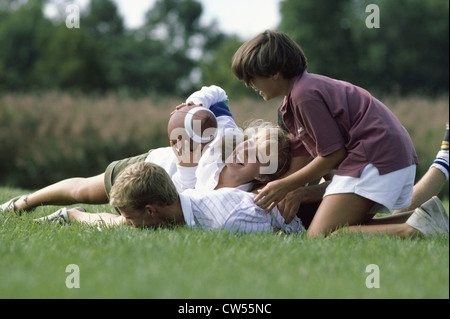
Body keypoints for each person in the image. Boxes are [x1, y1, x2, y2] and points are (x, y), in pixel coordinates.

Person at [231, 30, 446, 238]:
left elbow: (333, 155)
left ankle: (413, 231)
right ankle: (424, 219)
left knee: (320, 236)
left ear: (275, 73)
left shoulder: (303, 95)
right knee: (348, 227)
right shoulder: (294, 102)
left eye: (251, 77)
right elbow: (313, 165)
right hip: (382, 155)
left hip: (375, 157)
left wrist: (285, 185)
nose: (249, 84)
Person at [1, 86, 291, 214]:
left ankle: (72, 217)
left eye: (257, 156)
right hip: (154, 164)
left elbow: (191, 202)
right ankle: (25, 202)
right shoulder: (228, 135)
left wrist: (187, 165)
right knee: (85, 192)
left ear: (264, 175)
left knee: (127, 219)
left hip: (167, 194)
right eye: (248, 145)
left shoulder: (239, 198)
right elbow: (219, 94)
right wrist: (197, 102)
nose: (243, 152)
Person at [35, 162, 304, 235]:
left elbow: (288, 233)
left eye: (130, 217)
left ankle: (71, 214)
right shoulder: (178, 206)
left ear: (152, 211)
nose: (126, 222)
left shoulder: (226, 222)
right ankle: (72, 214)